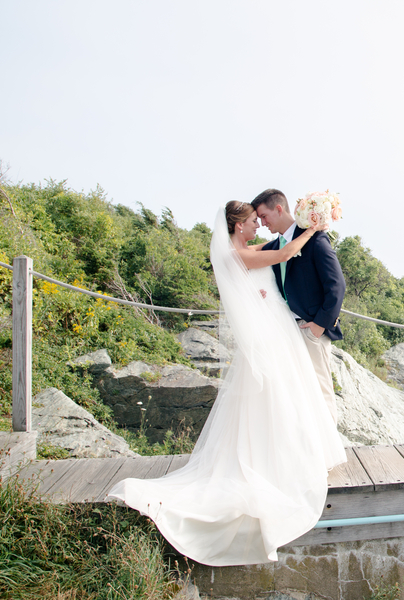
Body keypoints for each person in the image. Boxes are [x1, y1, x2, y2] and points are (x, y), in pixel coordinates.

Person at [107, 201, 347, 566]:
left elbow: (275, 252)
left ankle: (297, 450)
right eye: (253, 221)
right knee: (281, 397)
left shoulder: (245, 251)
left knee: (290, 396)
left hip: (277, 331)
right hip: (272, 336)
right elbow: (284, 252)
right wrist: (313, 227)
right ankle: (288, 457)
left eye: (259, 218)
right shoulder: (240, 256)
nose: (257, 226)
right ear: (237, 226)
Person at [251, 189, 346, 423]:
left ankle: (329, 453)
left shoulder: (315, 238)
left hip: (310, 329)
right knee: (297, 393)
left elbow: (337, 286)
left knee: (320, 389)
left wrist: (319, 326)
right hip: (286, 330)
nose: (262, 223)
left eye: (264, 216)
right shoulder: (278, 245)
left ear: (279, 209)